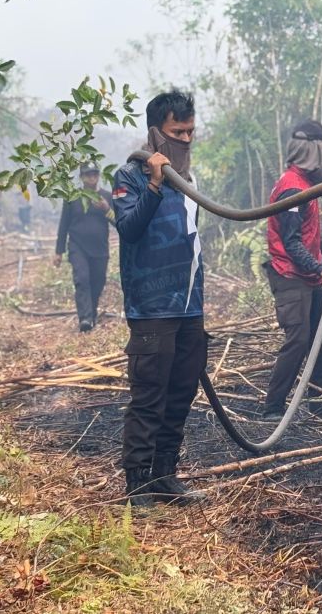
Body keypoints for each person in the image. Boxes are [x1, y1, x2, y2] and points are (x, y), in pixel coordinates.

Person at [112, 90, 206, 507]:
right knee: (149, 394)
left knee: (181, 392)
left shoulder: (191, 182)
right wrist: (154, 181)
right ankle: (137, 483)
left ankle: (165, 475)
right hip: (151, 308)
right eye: (176, 132)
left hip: (190, 305)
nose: (185, 139)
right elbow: (130, 229)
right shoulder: (128, 176)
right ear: (155, 133)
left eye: (189, 131)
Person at [262, 119, 322, 422]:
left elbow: (312, 237)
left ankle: (317, 405)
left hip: (307, 275)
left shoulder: (306, 185)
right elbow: (291, 242)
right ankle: (273, 408)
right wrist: (321, 269)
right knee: (298, 340)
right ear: (314, 151)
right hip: (289, 276)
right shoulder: (291, 188)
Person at [54, 162, 113, 332]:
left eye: (94, 174)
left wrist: (106, 209)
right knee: (82, 279)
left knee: (98, 281)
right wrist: (59, 251)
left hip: (100, 249)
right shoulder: (72, 197)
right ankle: (85, 318)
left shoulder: (106, 197)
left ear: (99, 176)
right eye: (88, 175)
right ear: (81, 177)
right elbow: (63, 224)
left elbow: (119, 221)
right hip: (77, 246)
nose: (92, 177)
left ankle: (91, 313)